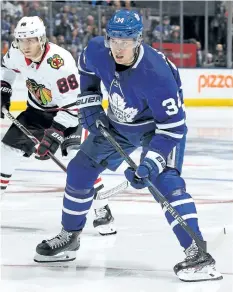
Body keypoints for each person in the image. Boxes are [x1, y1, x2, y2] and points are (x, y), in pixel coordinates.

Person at [34, 10, 222, 282]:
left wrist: (150, 163)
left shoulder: (158, 74)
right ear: (107, 37)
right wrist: (89, 100)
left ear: (139, 40)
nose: (118, 48)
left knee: (165, 181)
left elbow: (173, 128)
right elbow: (86, 69)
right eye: (114, 40)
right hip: (117, 124)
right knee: (79, 169)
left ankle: (197, 252)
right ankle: (70, 237)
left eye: (126, 41)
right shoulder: (98, 49)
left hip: (156, 130)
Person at [0, 16, 116, 236]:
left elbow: (72, 108)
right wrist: (4, 90)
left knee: (77, 162)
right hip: (36, 112)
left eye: (31, 40)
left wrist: (52, 138)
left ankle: (102, 209)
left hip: (70, 114)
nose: (25, 46)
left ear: (42, 39)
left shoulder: (59, 63)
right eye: (21, 40)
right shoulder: (16, 52)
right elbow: (5, 67)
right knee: (5, 153)